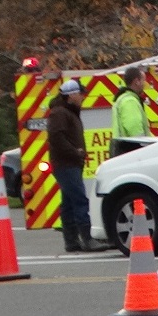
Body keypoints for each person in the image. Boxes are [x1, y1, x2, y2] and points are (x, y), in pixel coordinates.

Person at [47, 79, 106, 252]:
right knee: (80, 200)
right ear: (71, 95)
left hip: (69, 163)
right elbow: (56, 137)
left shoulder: (67, 112)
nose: (83, 97)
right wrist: (75, 152)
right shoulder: (60, 113)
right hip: (66, 164)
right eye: (80, 94)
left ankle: (71, 241)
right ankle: (87, 239)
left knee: (68, 203)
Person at [112, 66, 147, 139]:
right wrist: (143, 146)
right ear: (137, 81)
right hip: (134, 148)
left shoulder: (124, 99)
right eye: (143, 80)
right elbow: (134, 129)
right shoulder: (130, 101)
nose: (145, 84)